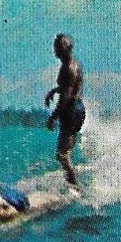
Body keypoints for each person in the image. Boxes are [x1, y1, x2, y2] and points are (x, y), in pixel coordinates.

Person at [43, 33, 85, 188]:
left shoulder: (67, 68)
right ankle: (73, 182)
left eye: (59, 47)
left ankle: (76, 188)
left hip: (71, 112)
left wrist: (53, 117)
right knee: (65, 153)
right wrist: (54, 91)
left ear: (68, 49)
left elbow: (66, 96)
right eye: (56, 46)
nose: (56, 50)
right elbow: (70, 87)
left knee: (62, 155)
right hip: (78, 109)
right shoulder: (75, 64)